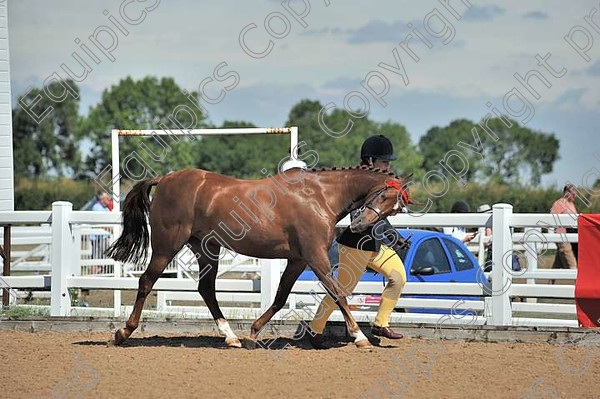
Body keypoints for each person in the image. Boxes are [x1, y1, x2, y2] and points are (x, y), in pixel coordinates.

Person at [308, 135, 409, 348]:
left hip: (373, 245)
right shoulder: (361, 183)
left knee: (398, 276)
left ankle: (380, 324)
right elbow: (361, 219)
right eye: (384, 162)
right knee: (342, 290)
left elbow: (379, 215)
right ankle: (315, 330)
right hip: (354, 246)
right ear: (370, 161)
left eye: (389, 162)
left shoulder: (380, 184)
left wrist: (394, 234)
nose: (388, 166)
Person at [551, 184, 578, 271]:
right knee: (572, 263)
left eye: (575, 193)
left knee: (558, 263)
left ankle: (551, 282)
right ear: (566, 193)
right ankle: (575, 282)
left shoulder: (571, 204)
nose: (575, 195)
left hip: (570, 236)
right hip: (562, 236)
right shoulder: (560, 203)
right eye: (572, 193)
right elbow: (551, 218)